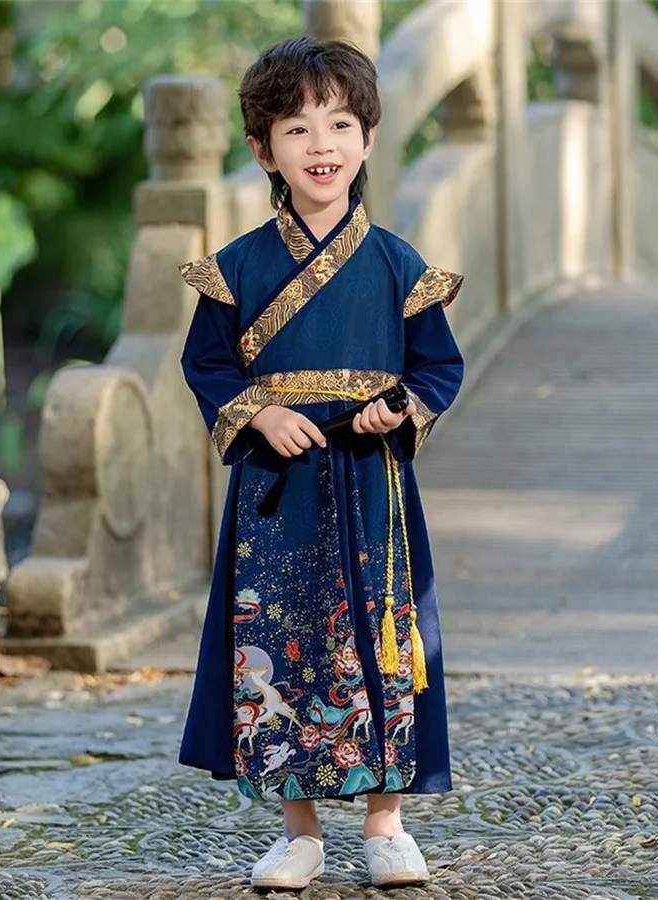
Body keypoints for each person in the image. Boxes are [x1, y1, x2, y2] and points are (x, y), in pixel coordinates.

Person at [177, 36, 465, 891]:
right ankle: (298, 830)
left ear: (369, 138)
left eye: (340, 123)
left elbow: (437, 367)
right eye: (296, 128)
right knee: (279, 644)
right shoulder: (236, 269)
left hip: (373, 484)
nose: (322, 145)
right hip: (279, 488)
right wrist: (261, 412)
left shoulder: (398, 264)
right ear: (263, 149)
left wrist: (397, 408)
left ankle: (387, 826)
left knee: (384, 643)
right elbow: (209, 365)